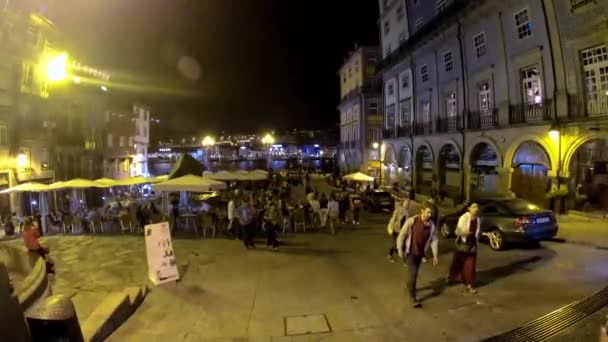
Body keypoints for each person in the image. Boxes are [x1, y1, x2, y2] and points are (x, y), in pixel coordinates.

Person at [397, 202, 439, 308]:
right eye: (428, 212)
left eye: (431, 213)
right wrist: (399, 249)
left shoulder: (432, 226)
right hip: (410, 252)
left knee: (413, 275)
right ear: (422, 211)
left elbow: (434, 240)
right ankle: (413, 297)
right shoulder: (412, 221)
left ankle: (409, 286)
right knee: (414, 274)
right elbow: (402, 235)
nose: (430, 215)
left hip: (420, 254)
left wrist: (435, 254)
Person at [448, 202, 481, 294]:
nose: (476, 209)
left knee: (470, 265)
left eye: (477, 207)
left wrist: (476, 243)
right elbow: (457, 231)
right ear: (469, 208)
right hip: (463, 243)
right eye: (474, 207)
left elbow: (477, 233)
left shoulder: (478, 219)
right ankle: (453, 276)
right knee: (458, 262)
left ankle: (469, 285)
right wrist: (465, 233)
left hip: (472, 244)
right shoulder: (464, 217)